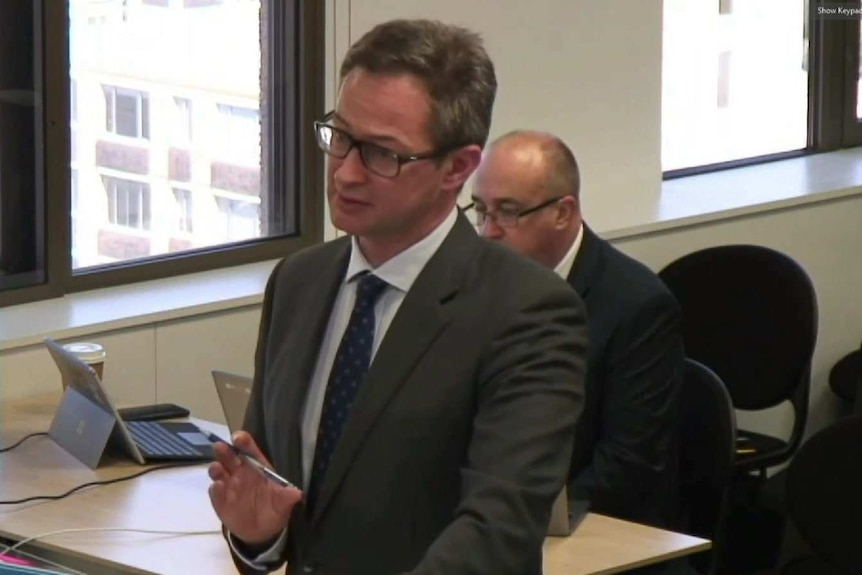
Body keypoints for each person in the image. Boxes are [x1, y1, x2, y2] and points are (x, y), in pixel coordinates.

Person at [207, 20, 589, 575]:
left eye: (383, 154)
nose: (346, 173)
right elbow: (275, 499)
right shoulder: (298, 282)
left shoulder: (526, 312)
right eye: (340, 137)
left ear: (457, 167)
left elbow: (498, 533)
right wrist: (257, 537)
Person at [472, 130, 684, 531]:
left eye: (508, 212)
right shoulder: (479, 284)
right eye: (481, 210)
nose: (488, 231)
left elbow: (628, 463)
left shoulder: (637, 306)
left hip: (594, 525)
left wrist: (523, 518)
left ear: (563, 213)